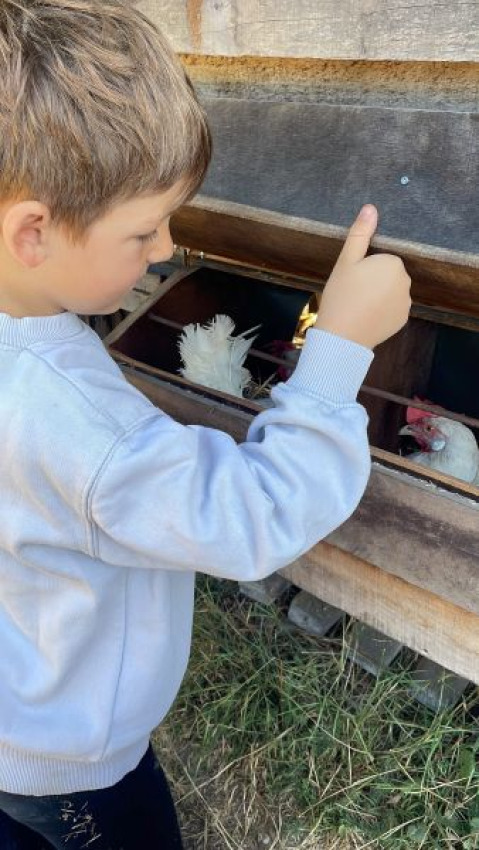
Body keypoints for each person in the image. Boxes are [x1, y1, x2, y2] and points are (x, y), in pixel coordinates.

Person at [0, 1, 411, 848]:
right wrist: (338, 348)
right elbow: (253, 515)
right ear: (32, 233)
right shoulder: (83, 428)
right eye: (143, 230)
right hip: (70, 764)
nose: (165, 248)